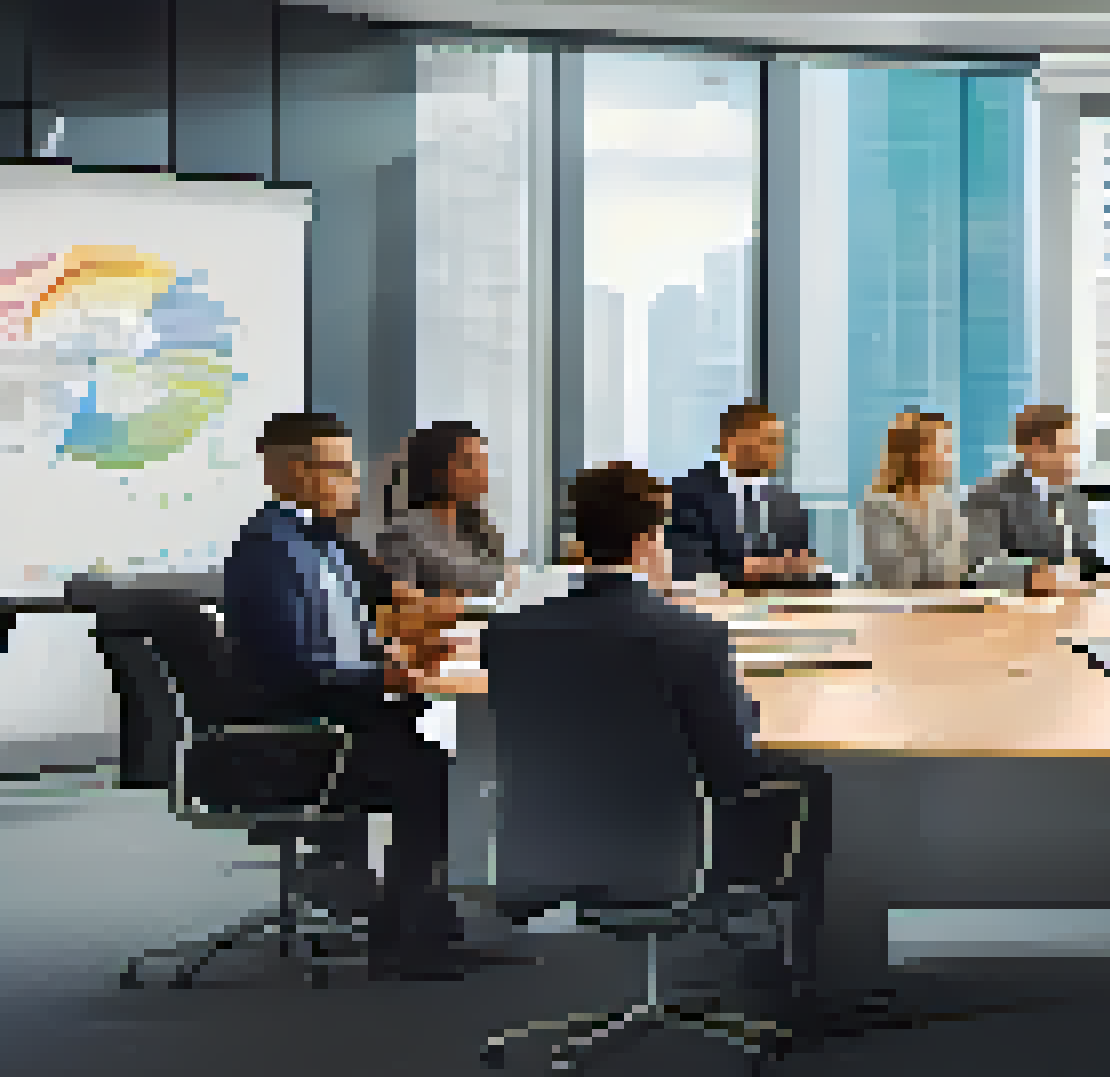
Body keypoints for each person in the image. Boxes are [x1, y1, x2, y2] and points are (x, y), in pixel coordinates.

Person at [482, 463, 824, 1009]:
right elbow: (733, 764)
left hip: (547, 842)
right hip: (666, 850)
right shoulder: (689, 635)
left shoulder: (508, 633)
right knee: (808, 783)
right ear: (648, 541)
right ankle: (789, 969)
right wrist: (749, 707)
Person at [221, 412, 515, 980]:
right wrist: (387, 677)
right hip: (297, 737)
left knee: (431, 749)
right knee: (429, 769)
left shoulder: (321, 543)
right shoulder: (272, 552)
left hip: (337, 715)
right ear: (290, 472)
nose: (354, 484)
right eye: (339, 471)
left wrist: (394, 663)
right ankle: (412, 935)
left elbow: (343, 642)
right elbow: (292, 669)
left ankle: (416, 922)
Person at [963, 405, 1110, 594]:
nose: (1074, 459)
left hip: (1069, 610)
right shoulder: (988, 495)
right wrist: (1033, 575)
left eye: (1074, 449)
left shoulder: (1073, 497)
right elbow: (978, 566)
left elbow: (1085, 562)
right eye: (1066, 449)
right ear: (1035, 450)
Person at [667, 402, 826, 588]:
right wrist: (754, 569)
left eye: (780, 441)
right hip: (716, 608)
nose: (779, 449)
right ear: (732, 440)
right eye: (770, 440)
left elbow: (802, 567)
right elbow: (689, 568)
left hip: (781, 609)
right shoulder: (689, 491)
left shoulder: (787, 501)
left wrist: (807, 568)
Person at [374, 421, 512, 600]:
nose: (481, 472)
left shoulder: (482, 527)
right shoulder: (401, 536)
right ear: (437, 468)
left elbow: (501, 587)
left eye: (482, 462)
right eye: (469, 463)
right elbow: (405, 603)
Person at [859, 410, 971, 590]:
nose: (949, 457)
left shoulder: (943, 502)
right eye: (942, 446)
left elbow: (963, 565)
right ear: (914, 452)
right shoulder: (879, 505)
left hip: (947, 604)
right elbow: (896, 574)